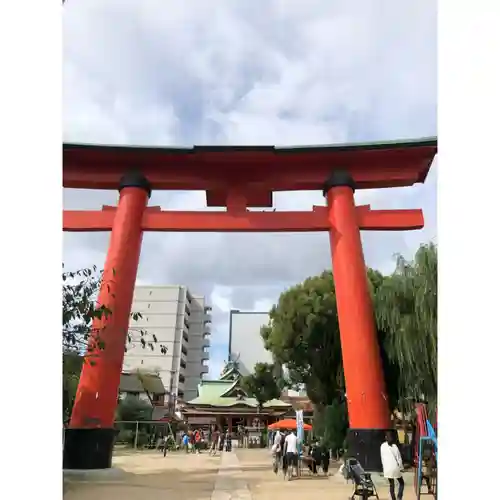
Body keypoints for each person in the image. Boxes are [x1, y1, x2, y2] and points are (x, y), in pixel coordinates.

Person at [380, 431, 405, 500]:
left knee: (391, 484)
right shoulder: (394, 446)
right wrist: (401, 468)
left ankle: (393, 498)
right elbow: (399, 458)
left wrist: (384, 467)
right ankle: (399, 497)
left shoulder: (382, 446)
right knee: (401, 483)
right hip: (395, 468)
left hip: (387, 469)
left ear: (385, 438)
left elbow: (382, 458)